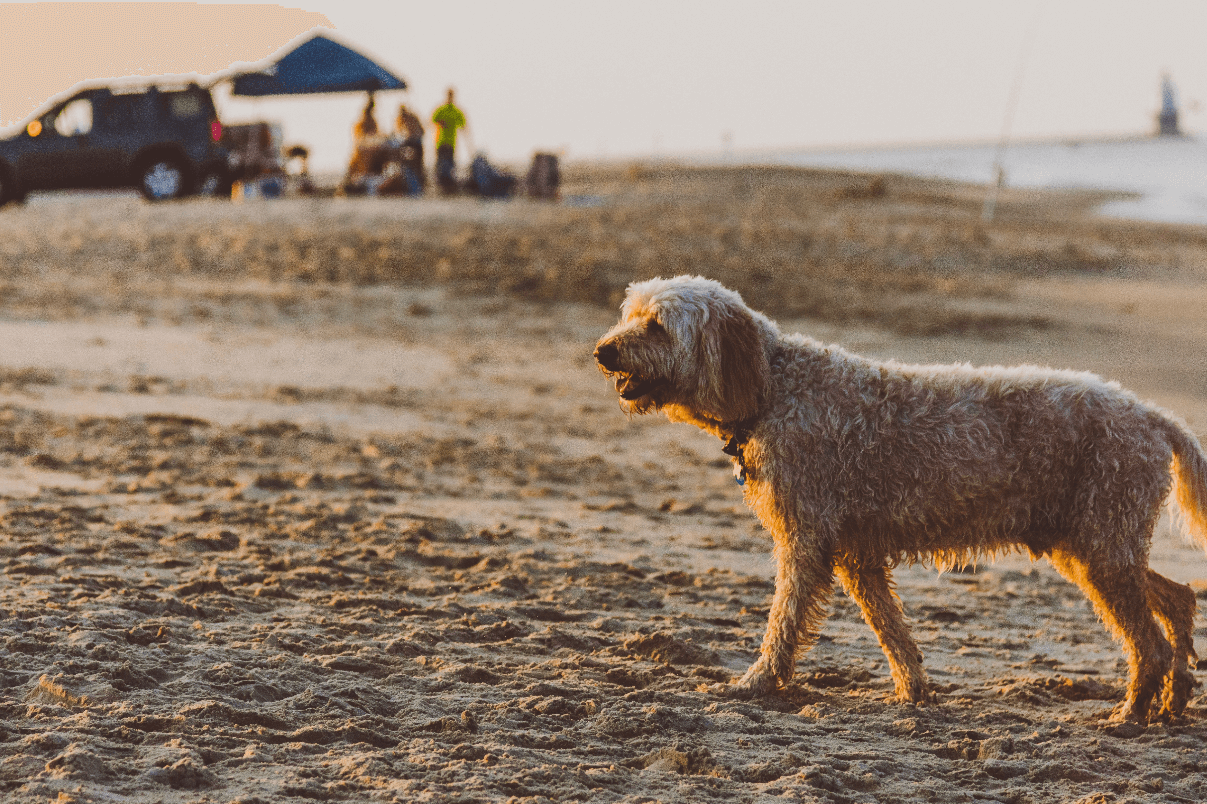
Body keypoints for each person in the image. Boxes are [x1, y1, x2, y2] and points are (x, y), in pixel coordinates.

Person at [431, 87, 467, 194]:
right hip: (440, 141)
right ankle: (441, 187)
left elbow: (463, 125)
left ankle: (448, 187)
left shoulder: (456, 111)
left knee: (450, 164)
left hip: (451, 142)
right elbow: (432, 120)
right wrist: (441, 123)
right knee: (441, 165)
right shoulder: (441, 109)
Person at [395, 103, 426, 190]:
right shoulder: (405, 119)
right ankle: (414, 187)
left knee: (412, 166)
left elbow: (418, 132)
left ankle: (415, 188)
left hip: (414, 144)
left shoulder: (409, 118)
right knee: (412, 167)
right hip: (413, 144)